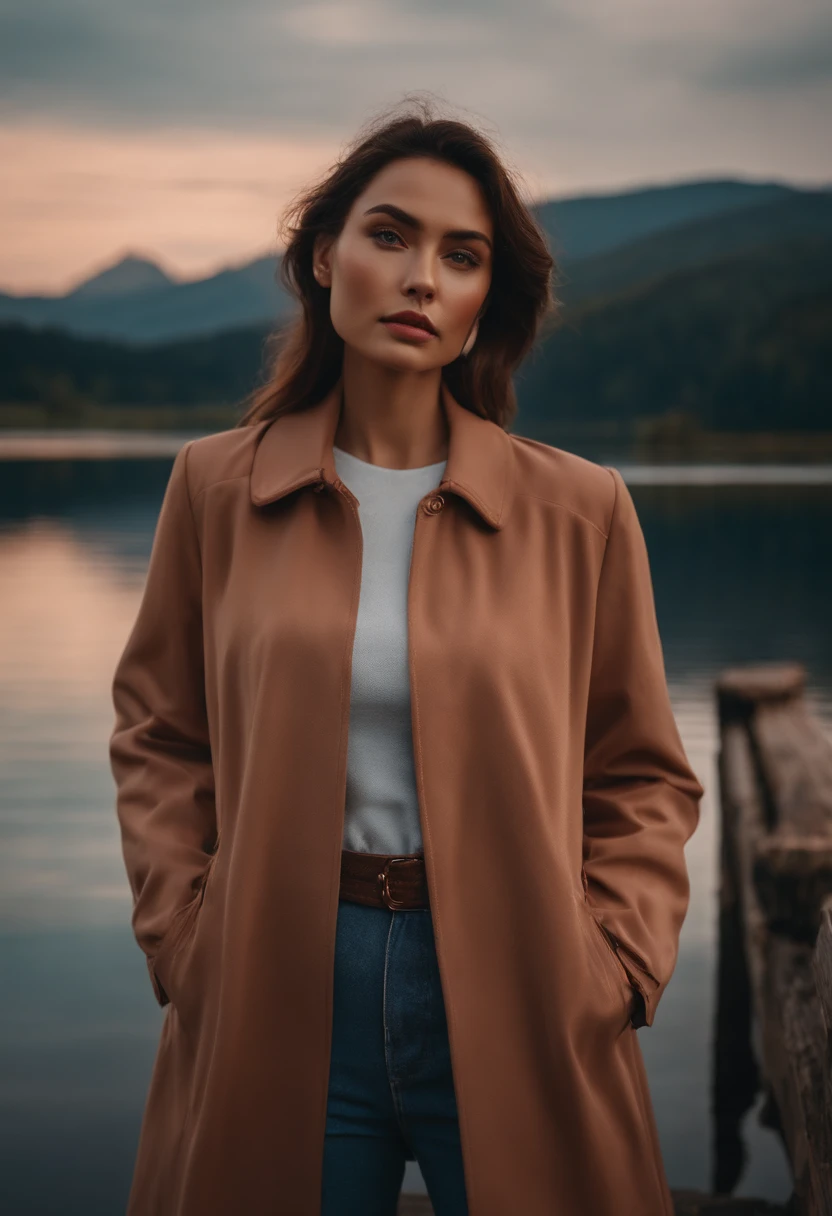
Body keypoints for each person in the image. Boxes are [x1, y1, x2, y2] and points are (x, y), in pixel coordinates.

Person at [110, 96, 705, 1216]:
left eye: (460, 255)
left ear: (486, 303)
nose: (421, 275)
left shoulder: (580, 510)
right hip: (278, 977)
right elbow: (158, 730)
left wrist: (616, 960)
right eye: (390, 235)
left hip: (523, 973)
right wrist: (185, 936)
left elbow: (640, 772)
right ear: (323, 258)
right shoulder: (214, 488)